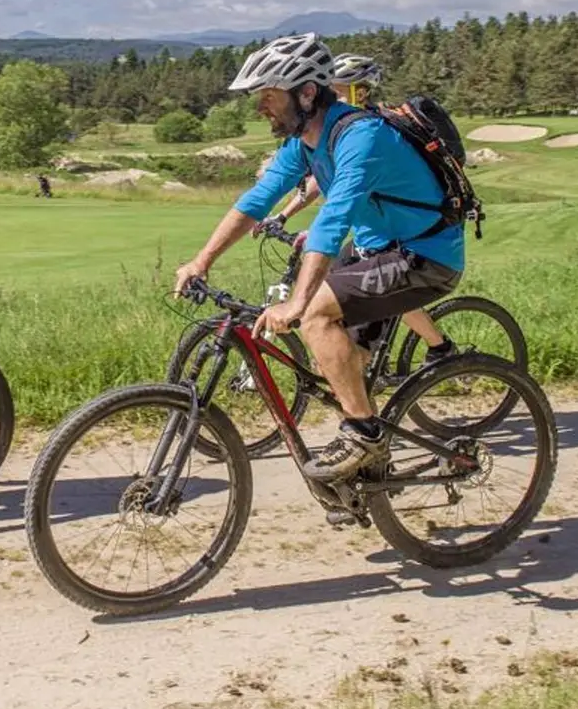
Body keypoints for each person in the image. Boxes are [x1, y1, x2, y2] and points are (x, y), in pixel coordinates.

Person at [174, 33, 465, 481]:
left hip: (424, 254)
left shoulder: (362, 136)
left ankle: (365, 435)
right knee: (341, 358)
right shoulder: (304, 141)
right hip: (378, 251)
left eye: (269, 96)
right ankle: (373, 475)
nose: (261, 107)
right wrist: (202, 260)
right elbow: (257, 201)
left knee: (314, 315)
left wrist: (297, 302)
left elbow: (333, 220)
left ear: (307, 93)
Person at [258, 53, 457, 366]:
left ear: (360, 92)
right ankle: (358, 368)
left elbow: (341, 200)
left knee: (375, 302)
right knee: (327, 295)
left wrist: (315, 230)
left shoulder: (367, 130)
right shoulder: (329, 128)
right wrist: (283, 215)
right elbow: (320, 182)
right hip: (371, 236)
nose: (331, 97)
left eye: (338, 90)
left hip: (403, 242)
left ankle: (439, 347)